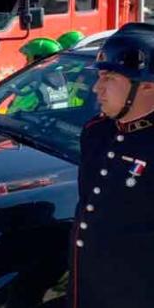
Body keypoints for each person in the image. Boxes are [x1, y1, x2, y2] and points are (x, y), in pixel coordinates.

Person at [70, 23, 154, 307]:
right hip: (88, 283)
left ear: (146, 86)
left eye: (109, 78)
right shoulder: (96, 132)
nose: (97, 88)